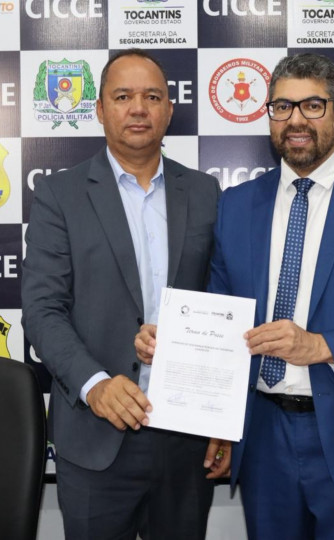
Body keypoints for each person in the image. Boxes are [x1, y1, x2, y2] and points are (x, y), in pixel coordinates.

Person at [136, 52, 334, 539]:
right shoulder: (238, 205)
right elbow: (222, 318)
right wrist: (175, 344)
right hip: (264, 441)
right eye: (282, 107)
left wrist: (323, 346)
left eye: (312, 106)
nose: (296, 120)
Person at [21, 48, 226, 539]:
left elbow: (224, 308)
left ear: (170, 109)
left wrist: (224, 416)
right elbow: (43, 311)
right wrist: (96, 383)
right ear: (100, 109)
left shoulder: (204, 193)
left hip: (186, 440)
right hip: (95, 435)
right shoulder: (59, 196)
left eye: (152, 96)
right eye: (124, 96)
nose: (139, 108)